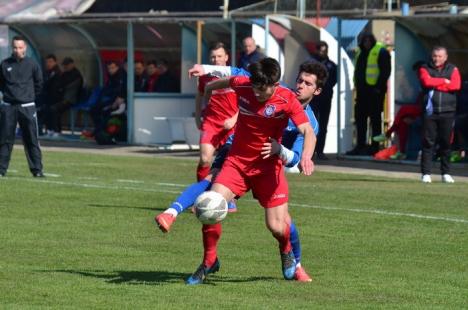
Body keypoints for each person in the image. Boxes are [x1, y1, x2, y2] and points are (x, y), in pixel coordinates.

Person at [155, 61, 326, 283]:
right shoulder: (248, 84)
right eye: (299, 80)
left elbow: (308, 133)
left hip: (268, 167)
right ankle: (208, 261)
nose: (256, 92)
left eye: (307, 83)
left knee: (276, 226)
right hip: (237, 161)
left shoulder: (288, 99)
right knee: (210, 202)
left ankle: (287, 252)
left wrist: (302, 156)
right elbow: (231, 78)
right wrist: (207, 85)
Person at [0, 35, 44, 177]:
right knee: (5, 139)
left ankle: (37, 170)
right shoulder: (5, 64)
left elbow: (39, 84)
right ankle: (1, 170)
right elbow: (1, 84)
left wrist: (28, 97)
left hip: (27, 106)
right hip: (8, 107)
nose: (17, 50)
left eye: (20, 47)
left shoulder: (32, 64)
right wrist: (10, 96)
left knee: (31, 138)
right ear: (11, 48)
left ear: (24, 48)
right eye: (15, 47)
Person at [194, 42, 238, 181]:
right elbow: (200, 94)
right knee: (205, 159)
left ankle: (228, 200)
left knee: (228, 165)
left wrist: (234, 119)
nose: (216, 60)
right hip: (211, 123)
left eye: (219, 56)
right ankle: (200, 193)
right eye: (213, 57)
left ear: (226, 57)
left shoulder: (235, 74)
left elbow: (246, 101)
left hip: (232, 125)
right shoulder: (205, 76)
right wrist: (197, 116)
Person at [418, 46, 461, 183]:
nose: (436, 59)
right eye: (435, 56)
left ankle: (446, 173)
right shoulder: (424, 68)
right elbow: (426, 81)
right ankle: (426, 174)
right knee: (428, 142)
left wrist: (436, 84)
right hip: (430, 112)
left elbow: (456, 85)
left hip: (448, 111)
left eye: (440, 56)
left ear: (446, 57)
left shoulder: (453, 69)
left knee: (446, 143)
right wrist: (444, 81)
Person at [347, 33, 391, 156]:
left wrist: (378, 88)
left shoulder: (381, 51)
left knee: (375, 120)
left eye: (368, 40)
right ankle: (360, 146)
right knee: (360, 120)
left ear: (372, 41)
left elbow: (385, 71)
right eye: (364, 41)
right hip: (361, 92)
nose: (366, 43)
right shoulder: (360, 52)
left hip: (375, 93)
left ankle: (374, 147)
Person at [310, 41, 337, 160]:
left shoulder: (331, 65)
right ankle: (310, 151)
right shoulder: (311, 65)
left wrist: (325, 89)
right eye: (320, 50)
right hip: (314, 98)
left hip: (326, 98)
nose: (322, 53)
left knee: (323, 125)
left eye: (324, 50)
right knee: (312, 124)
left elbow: (334, 80)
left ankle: (320, 151)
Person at [88, 60, 126, 138]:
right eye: (109, 68)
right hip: (109, 100)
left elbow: (119, 92)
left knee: (105, 111)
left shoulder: (122, 77)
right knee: (93, 110)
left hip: (116, 102)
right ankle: (98, 131)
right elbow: (105, 90)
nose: (111, 70)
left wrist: (113, 102)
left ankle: (101, 132)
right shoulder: (110, 77)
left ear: (117, 67)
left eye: (112, 68)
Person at [46, 57, 83, 136]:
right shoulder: (65, 74)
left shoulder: (76, 75)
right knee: (50, 107)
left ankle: (56, 130)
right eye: (64, 65)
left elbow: (68, 89)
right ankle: (52, 129)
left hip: (70, 100)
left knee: (54, 109)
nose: (65, 67)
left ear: (72, 64)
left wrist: (62, 96)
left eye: (67, 65)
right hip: (63, 99)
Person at [38, 54, 62, 136]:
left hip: (56, 99)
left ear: (55, 62)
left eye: (50, 62)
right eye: (47, 62)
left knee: (52, 110)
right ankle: (49, 129)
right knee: (44, 109)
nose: (48, 64)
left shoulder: (58, 73)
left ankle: (56, 130)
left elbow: (55, 88)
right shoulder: (47, 72)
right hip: (48, 98)